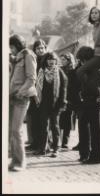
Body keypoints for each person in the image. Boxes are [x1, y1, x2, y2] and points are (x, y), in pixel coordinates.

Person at [9, 34, 37, 171]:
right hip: (11, 97)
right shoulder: (16, 58)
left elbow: (32, 78)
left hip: (21, 97)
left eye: (12, 47)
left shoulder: (28, 55)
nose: (11, 49)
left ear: (18, 45)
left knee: (16, 130)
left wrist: (21, 91)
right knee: (11, 131)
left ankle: (20, 162)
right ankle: (14, 160)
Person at [77, 46, 100, 164]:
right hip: (95, 98)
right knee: (92, 127)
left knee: (90, 128)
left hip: (91, 98)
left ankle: (94, 155)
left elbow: (91, 85)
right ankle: (89, 153)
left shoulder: (94, 69)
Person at [34, 52, 68, 157]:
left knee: (55, 126)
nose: (51, 61)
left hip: (56, 104)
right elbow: (37, 87)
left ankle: (55, 149)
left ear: (56, 60)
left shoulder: (60, 72)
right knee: (43, 126)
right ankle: (42, 148)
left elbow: (63, 89)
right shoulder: (41, 71)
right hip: (43, 103)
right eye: (49, 59)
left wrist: (62, 103)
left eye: (53, 59)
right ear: (45, 60)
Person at [25, 39, 48, 151]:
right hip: (33, 93)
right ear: (34, 50)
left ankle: (42, 144)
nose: (40, 50)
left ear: (45, 48)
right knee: (34, 119)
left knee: (42, 121)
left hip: (44, 95)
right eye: (38, 48)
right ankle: (34, 143)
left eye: (42, 48)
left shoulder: (48, 60)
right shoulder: (33, 60)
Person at [59, 53, 77, 149]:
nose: (62, 62)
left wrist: (71, 99)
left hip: (70, 99)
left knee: (67, 121)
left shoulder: (73, 71)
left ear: (69, 60)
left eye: (64, 60)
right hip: (61, 98)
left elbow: (74, 87)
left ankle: (65, 141)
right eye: (61, 60)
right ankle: (58, 140)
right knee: (59, 120)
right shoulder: (60, 70)